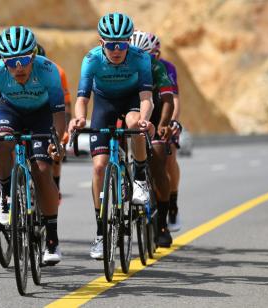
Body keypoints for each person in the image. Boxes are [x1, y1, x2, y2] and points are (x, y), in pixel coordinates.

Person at [0, 26, 66, 264]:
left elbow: (58, 115)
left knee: (43, 171)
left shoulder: (48, 70)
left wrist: (56, 141)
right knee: (2, 142)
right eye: (11, 62)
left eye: (24, 60)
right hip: (10, 111)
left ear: (33, 56)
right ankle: (5, 194)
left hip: (41, 115)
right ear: (3, 60)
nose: (18, 67)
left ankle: (52, 239)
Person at [68, 13, 155, 259]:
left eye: (122, 44)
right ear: (101, 43)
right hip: (104, 105)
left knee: (133, 123)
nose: (117, 50)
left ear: (129, 42)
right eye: (111, 44)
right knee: (99, 168)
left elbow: (146, 99)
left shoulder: (141, 58)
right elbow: (82, 98)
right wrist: (79, 118)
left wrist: (145, 119)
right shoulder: (91, 59)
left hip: (131, 102)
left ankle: (139, 178)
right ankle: (100, 233)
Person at [130, 30, 175, 246]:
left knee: (158, 162)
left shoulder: (157, 67)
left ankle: (163, 224)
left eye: (146, 56)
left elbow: (167, 99)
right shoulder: (123, 65)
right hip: (130, 112)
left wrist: (164, 124)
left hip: (155, 116)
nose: (142, 60)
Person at [148, 33, 183, 232]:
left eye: (152, 54)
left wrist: (172, 122)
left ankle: (173, 204)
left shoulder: (167, 67)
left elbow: (174, 100)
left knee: (169, 158)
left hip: (164, 113)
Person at [35, 46, 72, 196]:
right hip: (28, 109)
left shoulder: (57, 71)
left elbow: (66, 105)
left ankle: (55, 184)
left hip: (51, 110)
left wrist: (66, 129)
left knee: (56, 150)